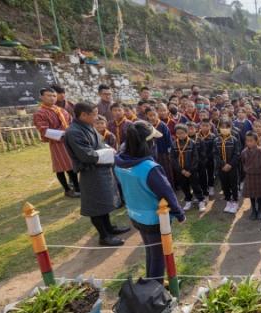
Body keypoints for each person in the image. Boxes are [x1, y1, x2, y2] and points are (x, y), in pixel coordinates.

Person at [115, 121, 186, 281]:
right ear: (147, 143)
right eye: (153, 140)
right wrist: (179, 214)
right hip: (154, 219)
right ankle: (154, 291)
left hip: (135, 214)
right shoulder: (149, 168)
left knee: (151, 250)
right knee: (158, 256)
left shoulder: (119, 163)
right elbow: (167, 193)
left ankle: (152, 282)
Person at [64, 102, 128, 246]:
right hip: (91, 172)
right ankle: (104, 236)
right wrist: (108, 153)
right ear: (83, 115)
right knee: (96, 206)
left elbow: (99, 144)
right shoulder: (74, 132)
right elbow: (87, 155)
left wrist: (108, 148)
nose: (97, 117)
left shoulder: (87, 126)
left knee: (104, 202)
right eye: (94, 114)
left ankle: (109, 228)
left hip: (101, 169)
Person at [32, 88, 80, 198]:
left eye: (54, 96)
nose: (52, 98)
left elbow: (71, 122)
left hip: (69, 140)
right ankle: (68, 189)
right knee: (61, 166)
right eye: (48, 95)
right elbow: (44, 130)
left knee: (71, 165)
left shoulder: (61, 110)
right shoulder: (40, 113)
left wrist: (72, 132)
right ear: (42, 97)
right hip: (57, 142)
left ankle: (77, 187)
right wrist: (63, 132)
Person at [171, 124, 206, 212]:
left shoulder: (192, 143)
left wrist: (190, 170)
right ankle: (188, 200)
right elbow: (173, 158)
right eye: (178, 133)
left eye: (182, 133)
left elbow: (195, 158)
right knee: (184, 186)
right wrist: (181, 170)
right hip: (180, 171)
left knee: (196, 185)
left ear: (186, 133)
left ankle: (201, 200)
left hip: (191, 171)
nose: (180, 135)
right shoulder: (174, 144)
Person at [241, 132, 261, 220]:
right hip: (249, 176)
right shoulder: (244, 152)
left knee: (260, 194)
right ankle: (253, 210)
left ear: (256, 141)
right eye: (247, 141)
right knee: (252, 194)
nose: (249, 143)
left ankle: (260, 210)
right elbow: (243, 162)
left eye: (251, 141)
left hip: (260, 175)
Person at [215, 119, 241, 214]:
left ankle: (235, 202)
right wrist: (222, 164)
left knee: (233, 185)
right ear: (219, 128)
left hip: (232, 167)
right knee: (225, 184)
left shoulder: (234, 140)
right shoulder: (216, 140)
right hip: (221, 168)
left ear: (230, 128)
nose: (224, 129)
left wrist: (230, 164)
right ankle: (228, 201)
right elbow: (216, 155)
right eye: (222, 127)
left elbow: (237, 153)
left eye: (227, 127)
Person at [145, 107, 174, 183]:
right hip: (151, 154)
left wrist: (169, 152)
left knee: (166, 171)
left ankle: (169, 188)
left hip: (163, 153)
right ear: (147, 116)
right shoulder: (146, 126)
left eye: (154, 115)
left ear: (157, 114)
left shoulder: (162, 125)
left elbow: (169, 140)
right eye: (150, 115)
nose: (152, 117)